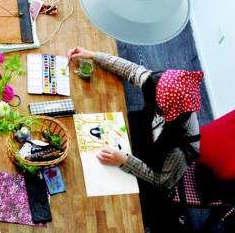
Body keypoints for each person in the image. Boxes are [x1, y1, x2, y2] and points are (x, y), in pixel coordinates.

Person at [68, 47, 204, 192]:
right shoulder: (160, 86)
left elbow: (163, 182)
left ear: (164, 110)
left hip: (153, 161)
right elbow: (131, 70)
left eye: (152, 101)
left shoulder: (179, 150)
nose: (147, 100)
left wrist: (125, 160)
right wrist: (93, 55)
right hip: (144, 135)